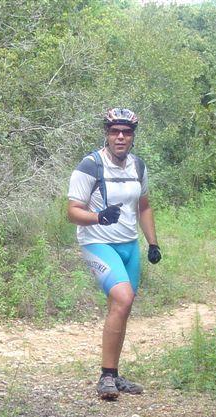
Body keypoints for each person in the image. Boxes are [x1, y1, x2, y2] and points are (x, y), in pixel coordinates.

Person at [67, 108, 161, 400]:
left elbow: (143, 206)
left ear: (133, 136)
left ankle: (114, 374)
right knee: (123, 298)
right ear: (106, 134)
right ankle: (106, 377)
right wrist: (98, 217)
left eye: (127, 132)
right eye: (114, 131)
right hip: (98, 243)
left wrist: (153, 243)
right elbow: (72, 212)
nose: (120, 137)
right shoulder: (90, 165)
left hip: (129, 245)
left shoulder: (138, 167)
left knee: (122, 308)